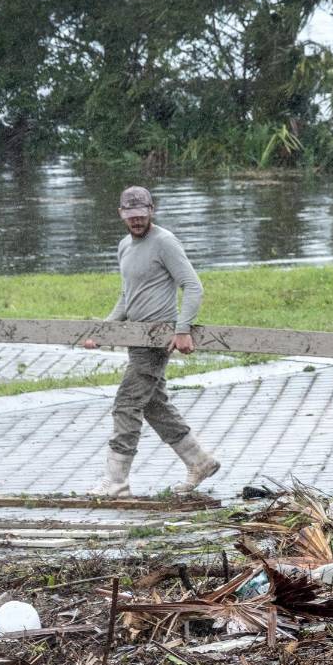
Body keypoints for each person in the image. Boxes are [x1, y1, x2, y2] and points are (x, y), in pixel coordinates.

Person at [82, 186, 220, 497]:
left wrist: (182, 329)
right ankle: (199, 461)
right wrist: (104, 332)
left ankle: (115, 481)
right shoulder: (124, 246)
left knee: (127, 404)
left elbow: (192, 286)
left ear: (152, 211)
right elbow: (126, 296)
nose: (137, 222)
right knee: (154, 405)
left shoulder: (165, 242)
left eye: (142, 216)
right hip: (135, 338)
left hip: (157, 339)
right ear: (121, 214)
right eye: (131, 217)